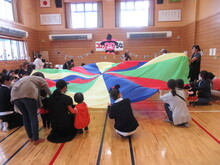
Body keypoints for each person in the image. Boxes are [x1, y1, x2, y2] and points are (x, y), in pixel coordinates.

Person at [11, 72, 51, 145]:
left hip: (14, 96)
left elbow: (36, 93)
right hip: (27, 95)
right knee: (33, 117)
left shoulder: (26, 79)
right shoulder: (41, 79)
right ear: (42, 77)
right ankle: (36, 139)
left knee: (25, 117)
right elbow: (49, 92)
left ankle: (30, 137)